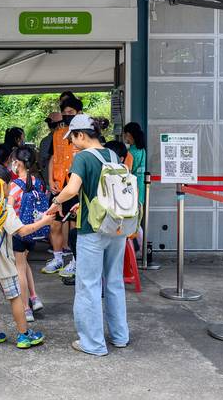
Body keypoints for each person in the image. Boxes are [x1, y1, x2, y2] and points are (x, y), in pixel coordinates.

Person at [47, 114, 130, 356]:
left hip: (92, 229)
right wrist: (80, 204)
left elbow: (72, 188)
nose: (71, 143)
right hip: (116, 227)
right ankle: (120, 336)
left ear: (81, 134)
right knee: (114, 282)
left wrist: (56, 201)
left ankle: (93, 343)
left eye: (72, 137)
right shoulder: (113, 155)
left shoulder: (83, 157)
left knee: (89, 286)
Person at [0, 163, 50, 350]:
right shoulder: (3, 209)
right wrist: (44, 221)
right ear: (2, 185)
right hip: (3, 262)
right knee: (15, 298)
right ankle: (24, 335)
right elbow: (23, 231)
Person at [43, 95, 84, 277]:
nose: (67, 115)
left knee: (76, 226)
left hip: (76, 187)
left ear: (79, 113)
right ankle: (58, 258)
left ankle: (76, 261)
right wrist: (51, 181)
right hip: (59, 186)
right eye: (64, 113)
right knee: (55, 224)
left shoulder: (84, 134)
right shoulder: (58, 134)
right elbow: (53, 158)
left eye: (71, 113)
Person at [7, 146, 47, 322]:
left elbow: (8, 208)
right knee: (25, 264)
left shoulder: (15, 185)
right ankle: (34, 297)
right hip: (34, 232)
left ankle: (25, 308)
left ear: (18, 163)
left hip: (19, 232)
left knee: (19, 270)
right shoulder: (38, 182)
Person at [122, 122, 148, 255]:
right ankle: (143, 252)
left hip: (133, 191)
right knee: (138, 222)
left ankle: (138, 252)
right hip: (142, 189)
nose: (124, 136)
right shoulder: (141, 150)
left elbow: (126, 172)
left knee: (134, 224)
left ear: (129, 134)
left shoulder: (130, 153)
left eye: (125, 133)